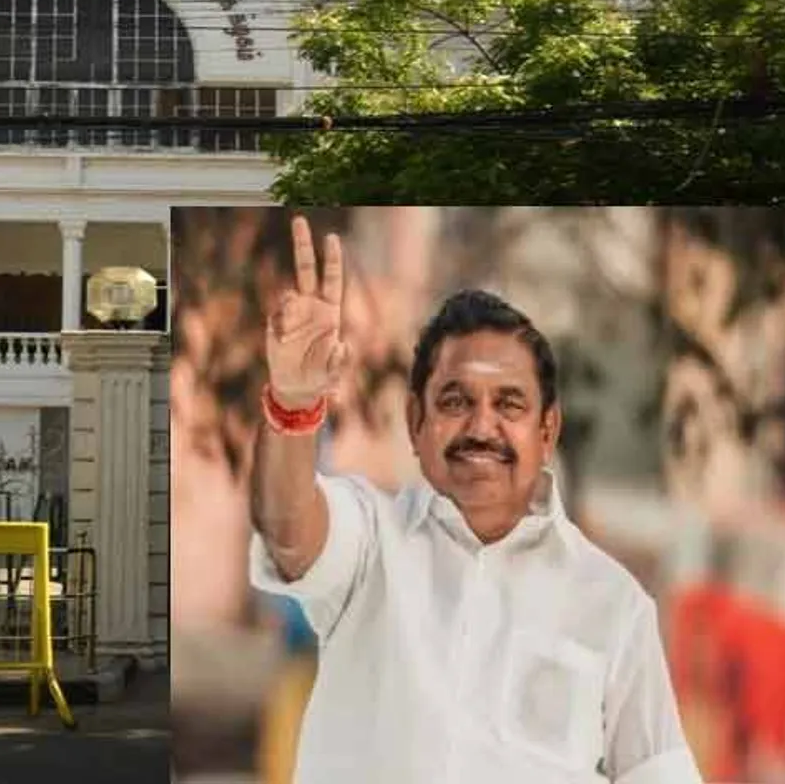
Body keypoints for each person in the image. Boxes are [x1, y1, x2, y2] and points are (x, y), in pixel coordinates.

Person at [197, 214, 701, 783]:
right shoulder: (371, 544)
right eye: (455, 401)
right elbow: (288, 529)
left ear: (547, 430)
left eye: (510, 404)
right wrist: (292, 405)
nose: (481, 426)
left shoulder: (613, 606)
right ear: (417, 422)